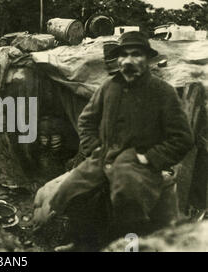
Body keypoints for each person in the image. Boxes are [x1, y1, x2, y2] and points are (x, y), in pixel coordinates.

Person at [49, 31, 194, 249]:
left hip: (137, 164)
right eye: (124, 55)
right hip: (103, 156)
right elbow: (86, 121)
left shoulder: (162, 92)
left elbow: (182, 138)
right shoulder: (108, 87)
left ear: (147, 59)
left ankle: (127, 246)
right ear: (118, 60)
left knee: (128, 201)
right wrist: (94, 148)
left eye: (136, 55)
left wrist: (150, 158)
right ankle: (81, 244)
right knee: (68, 192)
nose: (128, 61)